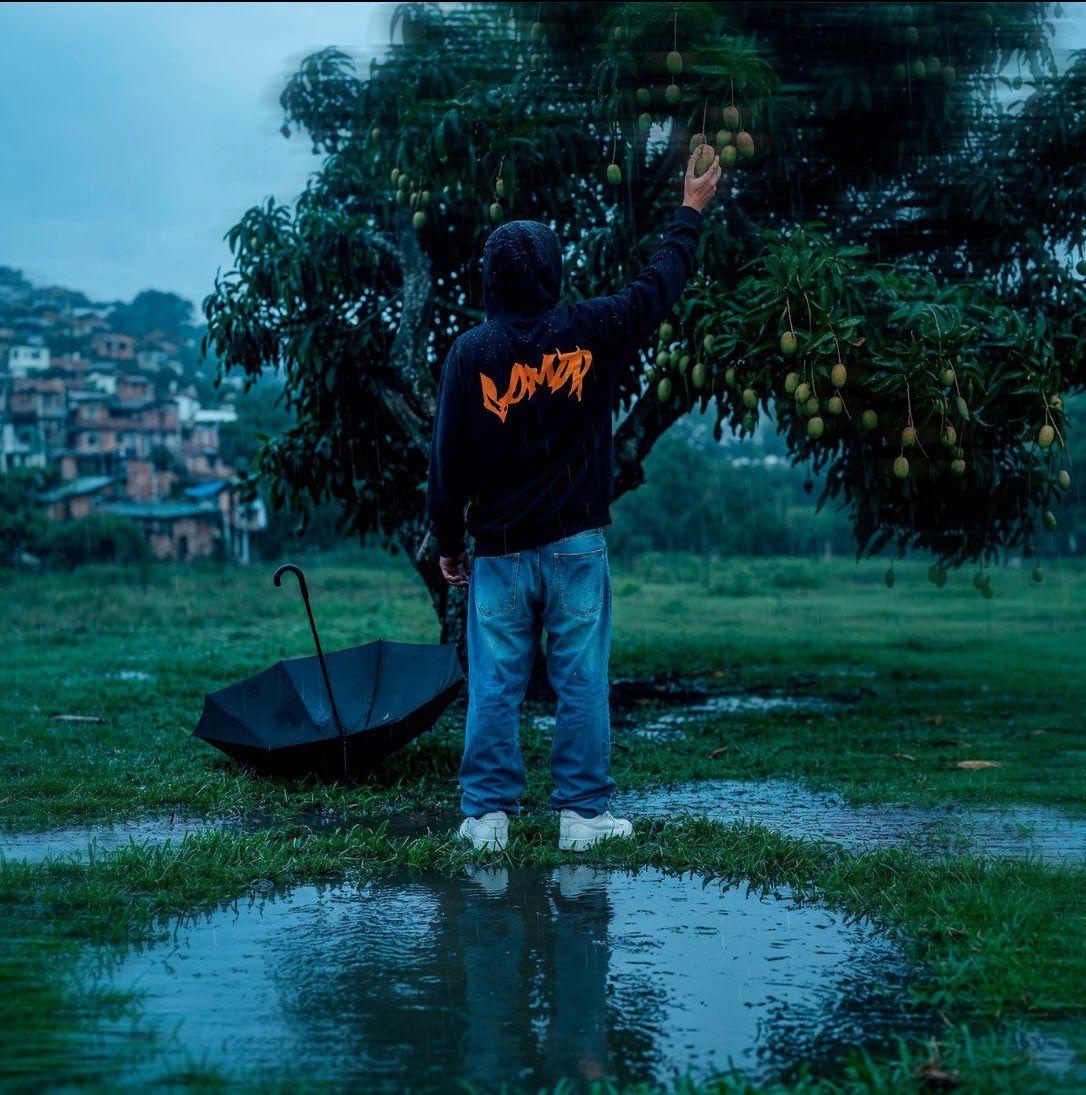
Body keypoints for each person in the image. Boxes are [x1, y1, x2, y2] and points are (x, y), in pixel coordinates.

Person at [426, 145, 722, 851]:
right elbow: (659, 285)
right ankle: (584, 817)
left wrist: (446, 540)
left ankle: (487, 817)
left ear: (492, 281)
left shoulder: (471, 353)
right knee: (581, 677)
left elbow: (448, 459)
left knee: (494, 683)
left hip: (497, 551)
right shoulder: (592, 329)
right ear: (552, 274)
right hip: (577, 548)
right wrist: (689, 211)